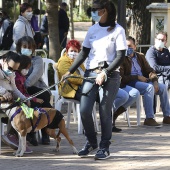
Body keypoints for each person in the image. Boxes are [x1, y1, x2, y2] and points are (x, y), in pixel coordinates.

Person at [62, 0, 127, 160]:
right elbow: (84, 53)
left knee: (105, 111)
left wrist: (105, 72)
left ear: (104, 11)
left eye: (94, 9)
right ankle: (91, 142)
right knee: (84, 110)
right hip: (91, 73)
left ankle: (104, 146)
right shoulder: (93, 29)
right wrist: (69, 71)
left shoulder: (118, 30)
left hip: (110, 75)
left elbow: (120, 56)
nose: (92, 12)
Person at [120, 36, 170, 127]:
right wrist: (137, 77)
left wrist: (155, 81)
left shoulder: (140, 56)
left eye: (130, 46)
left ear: (135, 47)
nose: (128, 48)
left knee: (162, 87)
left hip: (143, 80)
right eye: (125, 46)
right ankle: (149, 118)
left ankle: (167, 116)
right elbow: (122, 77)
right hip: (130, 82)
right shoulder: (121, 58)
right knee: (149, 88)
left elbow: (150, 70)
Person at [16, 36, 52, 145]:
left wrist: (24, 86)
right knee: (32, 101)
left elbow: (35, 75)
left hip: (37, 88)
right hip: (20, 91)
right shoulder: (16, 60)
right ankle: (34, 132)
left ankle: (42, 132)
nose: (27, 49)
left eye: (30, 47)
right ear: (19, 48)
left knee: (41, 97)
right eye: (24, 47)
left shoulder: (37, 60)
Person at [0, 51, 32, 153]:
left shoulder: (11, 73)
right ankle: (11, 135)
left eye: (15, 70)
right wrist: (3, 92)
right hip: (3, 97)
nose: (12, 72)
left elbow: (14, 88)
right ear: (4, 61)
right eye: (10, 68)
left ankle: (16, 136)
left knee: (23, 106)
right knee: (15, 109)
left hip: (7, 98)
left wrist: (24, 98)